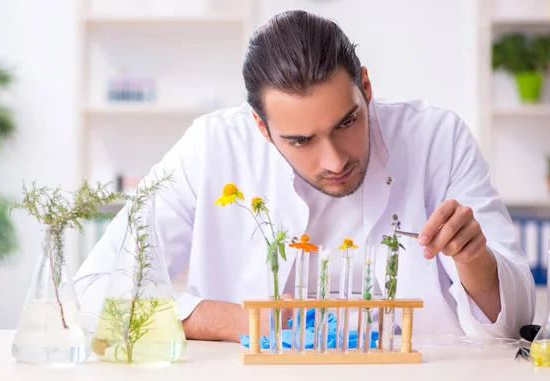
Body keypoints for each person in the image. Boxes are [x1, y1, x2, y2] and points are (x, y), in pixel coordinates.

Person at [74, 10, 535, 342]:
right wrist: (240, 321)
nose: (334, 161)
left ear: (366, 89)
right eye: (300, 141)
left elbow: (516, 322)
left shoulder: (438, 138)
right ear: (262, 128)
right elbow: (94, 292)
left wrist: (476, 261)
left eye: (346, 123)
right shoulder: (212, 146)